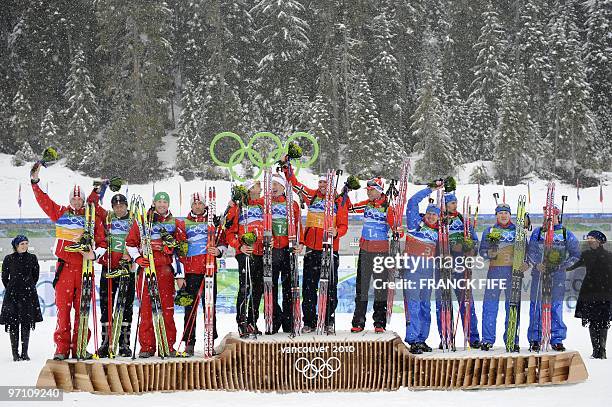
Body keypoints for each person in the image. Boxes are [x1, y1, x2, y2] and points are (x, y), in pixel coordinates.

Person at [30, 165, 107, 360]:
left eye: (79, 198)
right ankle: (62, 348)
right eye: (73, 198)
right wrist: (35, 182)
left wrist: (94, 255)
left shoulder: (92, 217)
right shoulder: (61, 213)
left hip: (84, 269)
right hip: (64, 268)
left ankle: (80, 345)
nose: (76, 201)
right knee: (63, 311)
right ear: (69, 199)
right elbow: (44, 202)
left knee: (82, 309)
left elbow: (103, 243)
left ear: (83, 199)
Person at [283, 169, 349, 334]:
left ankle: (327, 320)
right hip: (312, 250)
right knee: (309, 288)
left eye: (325, 182)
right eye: (320, 182)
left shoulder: (339, 201)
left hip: (329, 249)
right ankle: (310, 321)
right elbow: (295, 185)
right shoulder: (311, 196)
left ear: (331, 184)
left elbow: (344, 225)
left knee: (330, 288)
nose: (321, 185)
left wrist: (337, 231)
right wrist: (287, 168)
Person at [125, 191, 186, 357]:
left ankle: (167, 345)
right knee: (146, 310)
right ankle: (147, 346)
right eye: (158, 201)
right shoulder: (143, 220)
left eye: (164, 202)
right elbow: (130, 243)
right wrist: (137, 258)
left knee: (167, 310)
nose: (161, 204)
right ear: (154, 202)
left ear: (168, 204)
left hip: (165, 270)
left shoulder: (175, 223)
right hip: (147, 269)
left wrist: (171, 248)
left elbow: (181, 250)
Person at [88, 188, 135, 358]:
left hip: (126, 268)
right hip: (109, 267)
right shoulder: (107, 217)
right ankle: (106, 342)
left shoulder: (134, 218)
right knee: (106, 306)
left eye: (122, 205)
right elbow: (91, 203)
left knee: (126, 307)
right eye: (116, 206)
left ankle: (124, 343)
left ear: (126, 206)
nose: (119, 209)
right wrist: (99, 188)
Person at [526, 205, 580, 352]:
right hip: (539, 275)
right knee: (536, 306)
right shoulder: (537, 233)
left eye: (552, 216)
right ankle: (535, 338)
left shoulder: (564, 233)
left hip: (557, 276)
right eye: (546, 216)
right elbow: (530, 252)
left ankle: (556, 338)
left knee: (556, 307)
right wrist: (537, 264)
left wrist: (563, 265)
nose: (549, 219)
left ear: (557, 216)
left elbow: (575, 255)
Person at [179, 192, 227, 355]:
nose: (197, 206)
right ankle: (189, 342)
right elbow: (179, 248)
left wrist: (218, 251)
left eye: (200, 204)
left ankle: (209, 341)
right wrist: (181, 273)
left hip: (209, 269)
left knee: (210, 308)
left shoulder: (213, 222)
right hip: (191, 271)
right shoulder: (184, 223)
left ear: (205, 205)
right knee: (189, 308)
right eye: (194, 204)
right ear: (191, 206)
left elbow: (223, 242)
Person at [349, 177, 395, 333]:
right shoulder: (366, 204)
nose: (369, 193)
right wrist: (344, 192)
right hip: (365, 250)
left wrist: (397, 230)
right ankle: (358, 321)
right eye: (368, 190)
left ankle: (379, 322)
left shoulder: (388, 207)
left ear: (380, 190)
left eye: (371, 190)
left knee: (380, 288)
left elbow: (395, 227)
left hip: (381, 252)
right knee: (361, 287)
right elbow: (349, 208)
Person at [435, 192, 480, 348]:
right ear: (444, 205)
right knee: (443, 302)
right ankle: (445, 336)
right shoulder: (439, 220)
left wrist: (469, 249)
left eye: (455, 202)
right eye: (451, 203)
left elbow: (475, 241)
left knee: (466, 301)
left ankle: (473, 337)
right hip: (442, 265)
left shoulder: (463, 220)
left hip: (460, 265)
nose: (454, 205)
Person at [403, 185, 442, 354]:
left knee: (425, 306)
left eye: (435, 214)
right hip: (413, 271)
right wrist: (430, 189)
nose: (431, 217)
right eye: (429, 213)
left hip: (428, 273)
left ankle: (421, 339)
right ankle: (413, 339)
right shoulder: (415, 224)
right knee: (413, 305)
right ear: (425, 214)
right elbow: (412, 202)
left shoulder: (440, 232)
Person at [478, 203, 520, 351]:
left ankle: (512, 339)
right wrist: (488, 254)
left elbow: (526, 250)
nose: (503, 215)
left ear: (510, 215)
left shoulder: (518, 231)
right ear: (496, 215)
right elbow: (482, 251)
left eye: (506, 213)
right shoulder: (489, 230)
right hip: (494, 272)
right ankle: (487, 339)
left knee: (513, 307)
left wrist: (526, 262)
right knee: (490, 307)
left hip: (512, 273)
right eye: (500, 213)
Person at [226, 180, 265, 337]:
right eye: (257, 186)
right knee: (246, 287)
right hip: (245, 252)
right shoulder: (238, 207)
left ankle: (251, 321)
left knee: (258, 288)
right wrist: (239, 246)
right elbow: (229, 233)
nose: (260, 188)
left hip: (260, 252)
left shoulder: (262, 205)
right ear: (249, 190)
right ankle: (241, 322)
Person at [266, 174, 303, 333]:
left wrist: (300, 243)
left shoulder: (292, 204)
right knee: (270, 287)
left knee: (290, 287)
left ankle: (289, 321)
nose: (273, 187)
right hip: (272, 250)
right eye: (271, 184)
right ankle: (274, 319)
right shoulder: (265, 203)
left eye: (276, 184)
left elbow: (299, 224)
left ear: (283, 187)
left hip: (288, 249)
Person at [567, 231, 612, 359]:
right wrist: (559, 266)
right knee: (592, 321)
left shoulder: (609, 256)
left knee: (603, 321)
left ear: (599, 240)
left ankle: (602, 350)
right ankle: (595, 350)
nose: (589, 240)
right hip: (590, 292)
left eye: (592, 238)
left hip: (605, 293)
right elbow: (572, 266)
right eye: (588, 238)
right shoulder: (586, 255)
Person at [0, 236, 43, 361]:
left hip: (28, 294)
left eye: (26, 243)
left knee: (26, 323)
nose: (24, 245)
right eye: (22, 243)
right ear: (16, 245)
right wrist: (12, 288)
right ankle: (15, 353)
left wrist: (27, 286)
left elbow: (35, 276)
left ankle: (25, 353)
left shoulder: (32, 258)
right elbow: (4, 277)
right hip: (12, 295)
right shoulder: (8, 259)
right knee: (13, 324)